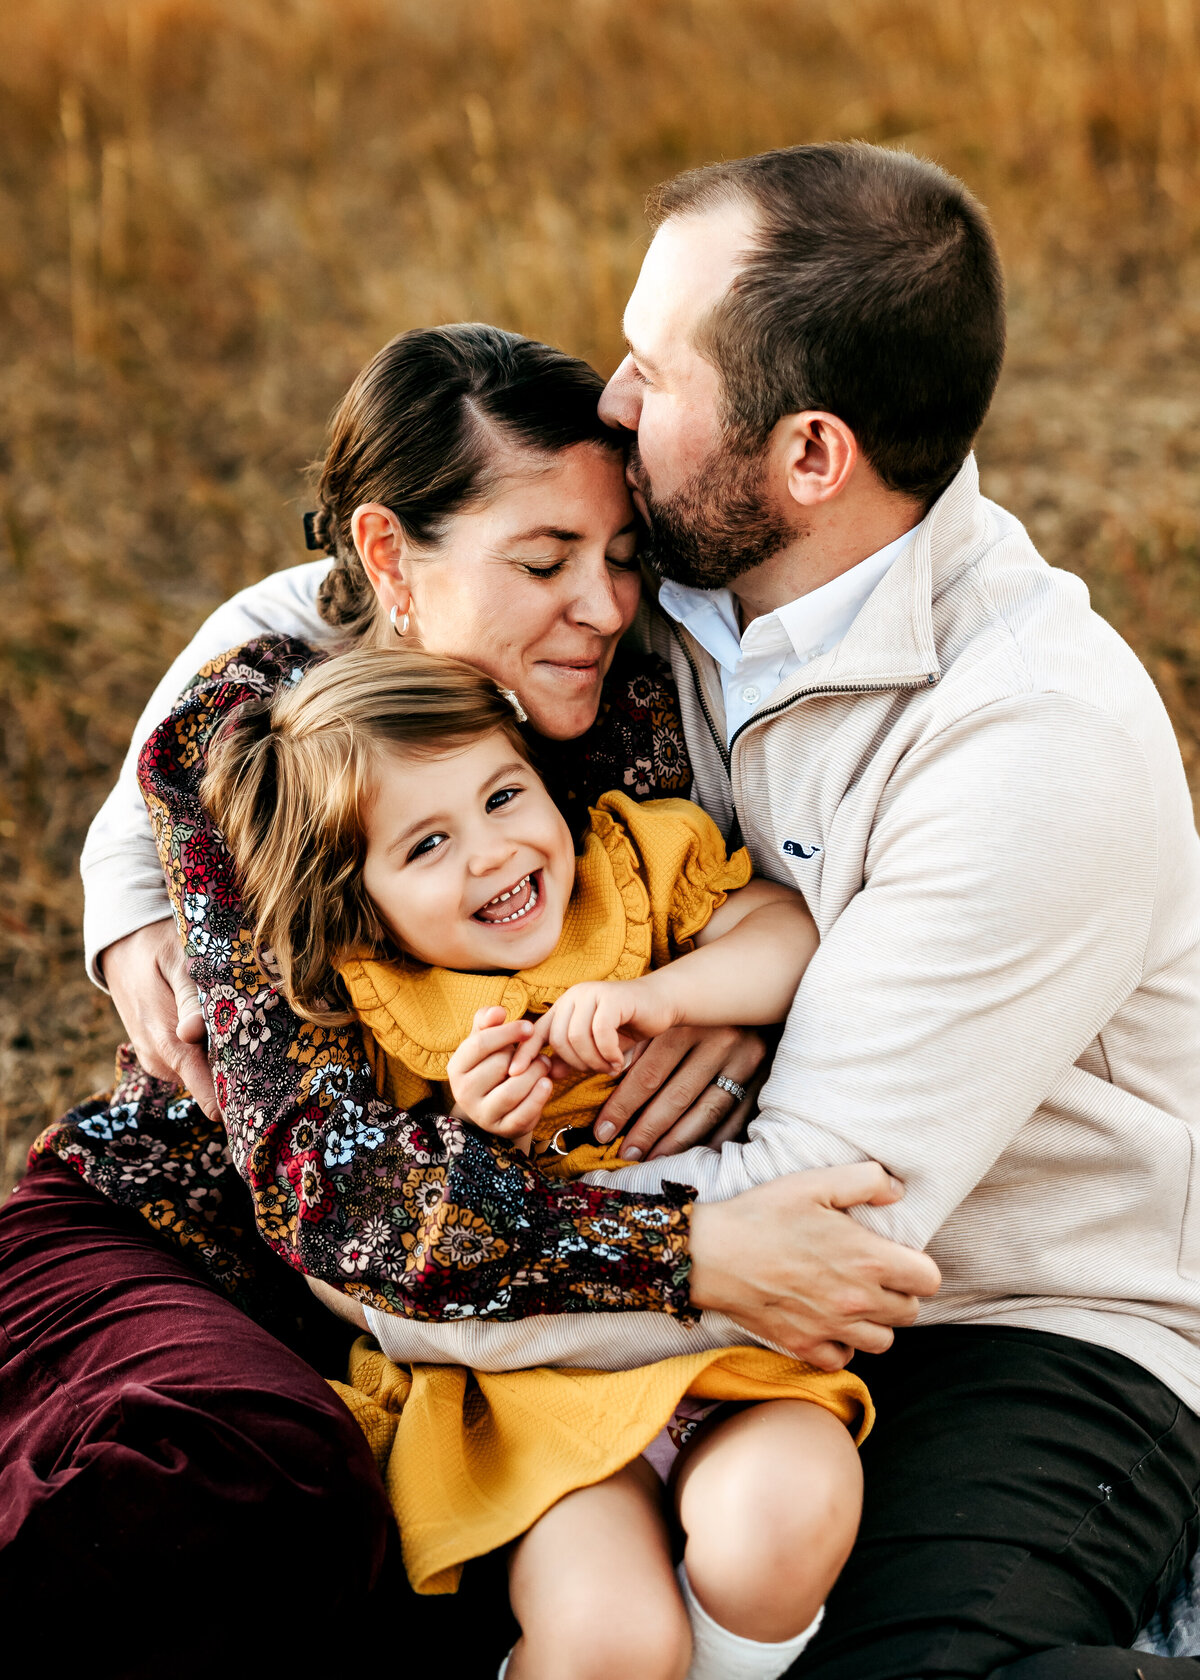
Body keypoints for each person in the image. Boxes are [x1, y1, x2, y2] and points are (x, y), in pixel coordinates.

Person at [0, 322, 934, 1675]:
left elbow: (728, 911)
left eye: (622, 560)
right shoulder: (267, 743)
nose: (606, 609)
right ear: (387, 557)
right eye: (545, 564)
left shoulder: (617, 697)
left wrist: (717, 1007)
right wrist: (690, 1257)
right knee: (244, 1479)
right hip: (199, 1248)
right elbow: (330, 1190)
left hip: (470, 1328)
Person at [589, 142, 1200, 1676]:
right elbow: (367, 581)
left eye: (655, 373)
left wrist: (413, 1236)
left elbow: (822, 1209)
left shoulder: (1039, 735)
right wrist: (136, 875)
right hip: (701, 1265)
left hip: (1027, 1322)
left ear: (810, 457)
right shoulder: (665, 555)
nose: (609, 400)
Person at [200, 643, 872, 1680]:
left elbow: (786, 933)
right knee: (613, 1637)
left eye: (504, 793)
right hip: (539, 1390)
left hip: (732, 1361)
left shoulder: (635, 869)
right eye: (426, 844)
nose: (492, 853)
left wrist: (669, 996)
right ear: (362, 898)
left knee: (784, 1516)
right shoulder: (384, 1007)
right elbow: (389, 1218)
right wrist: (474, 1134)